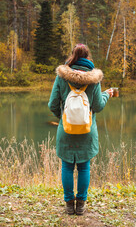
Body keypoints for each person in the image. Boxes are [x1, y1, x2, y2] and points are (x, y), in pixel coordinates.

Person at [48, 44, 113, 215]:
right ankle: (81, 205)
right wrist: (106, 94)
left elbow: (52, 104)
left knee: (67, 167)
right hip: (87, 130)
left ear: (73, 56)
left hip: (66, 129)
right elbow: (98, 106)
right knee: (84, 167)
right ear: (87, 57)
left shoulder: (62, 77)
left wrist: (62, 117)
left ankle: (69, 205)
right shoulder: (94, 79)